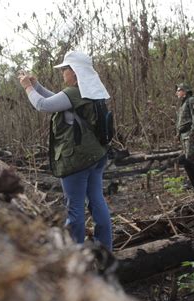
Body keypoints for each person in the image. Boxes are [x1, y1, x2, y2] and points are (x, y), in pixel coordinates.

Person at [18, 51, 113, 251]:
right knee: (97, 200)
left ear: (75, 72)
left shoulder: (74, 93)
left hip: (76, 160)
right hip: (96, 155)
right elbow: (60, 102)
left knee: (75, 209)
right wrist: (36, 86)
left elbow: (43, 105)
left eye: (65, 70)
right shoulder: (92, 91)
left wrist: (27, 87)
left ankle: (75, 253)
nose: (63, 74)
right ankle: (105, 249)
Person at [175, 83, 194, 159]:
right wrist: (178, 134)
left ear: (184, 91)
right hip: (184, 135)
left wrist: (193, 131)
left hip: (189, 134)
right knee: (188, 158)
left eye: (178, 90)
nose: (176, 93)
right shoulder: (183, 103)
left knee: (192, 158)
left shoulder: (192, 100)